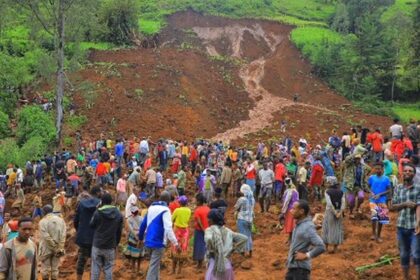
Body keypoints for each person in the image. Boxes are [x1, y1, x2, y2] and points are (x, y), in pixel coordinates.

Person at [138, 191, 179, 280]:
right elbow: (168, 228)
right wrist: (175, 243)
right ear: (168, 202)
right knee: (153, 267)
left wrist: (140, 238)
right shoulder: (166, 210)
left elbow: (143, 224)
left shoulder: (151, 208)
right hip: (158, 243)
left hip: (147, 242)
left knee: (155, 266)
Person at [390, 163, 420, 280]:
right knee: (403, 254)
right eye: (405, 170)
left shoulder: (418, 188)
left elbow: (419, 206)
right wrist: (405, 204)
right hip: (401, 226)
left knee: (417, 255)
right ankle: (405, 278)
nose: (407, 172)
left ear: (414, 174)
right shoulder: (398, 188)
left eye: (410, 171)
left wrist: (418, 222)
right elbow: (392, 206)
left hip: (414, 227)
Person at [286, 200, 326, 280]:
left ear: (301, 211)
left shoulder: (308, 227)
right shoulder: (300, 225)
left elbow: (321, 246)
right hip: (293, 267)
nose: (291, 211)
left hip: (300, 271)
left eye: (294, 209)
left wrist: (307, 255)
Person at [204, 209, 247, 280]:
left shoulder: (210, 230)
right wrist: (233, 249)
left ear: (211, 220)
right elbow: (244, 238)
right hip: (227, 265)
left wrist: (212, 247)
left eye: (208, 219)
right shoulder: (228, 231)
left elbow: (208, 239)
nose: (207, 220)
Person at [90, 193, 123, 280]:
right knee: (108, 268)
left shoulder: (98, 212)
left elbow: (91, 224)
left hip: (97, 245)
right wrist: (116, 243)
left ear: (102, 202)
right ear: (111, 202)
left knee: (95, 268)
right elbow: (119, 231)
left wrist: (96, 209)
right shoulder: (118, 214)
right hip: (110, 246)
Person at [74, 186, 101, 280]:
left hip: (83, 237)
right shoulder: (100, 204)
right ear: (97, 193)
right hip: (96, 237)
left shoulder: (81, 203)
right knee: (95, 261)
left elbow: (76, 220)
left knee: (81, 259)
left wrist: (79, 231)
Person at [39, 205, 66, 280]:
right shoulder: (61, 220)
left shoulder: (42, 221)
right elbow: (63, 235)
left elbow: (46, 237)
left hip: (46, 248)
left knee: (45, 269)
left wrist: (53, 247)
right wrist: (59, 247)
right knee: (55, 269)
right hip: (58, 249)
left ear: (44, 212)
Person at [368, 162, 391, 242]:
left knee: (381, 218)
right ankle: (373, 233)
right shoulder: (371, 177)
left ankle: (379, 235)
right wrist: (371, 193)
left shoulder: (386, 178)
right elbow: (369, 187)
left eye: (379, 168)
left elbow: (389, 190)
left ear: (383, 169)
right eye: (376, 168)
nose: (377, 170)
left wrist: (380, 194)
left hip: (382, 200)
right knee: (374, 217)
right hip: (373, 200)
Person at [342, 153, 371, 218]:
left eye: (359, 158)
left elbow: (368, 170)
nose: (357, 160)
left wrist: (366, 187)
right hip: (350, 186)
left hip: (359, 186)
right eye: (356, 158)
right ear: (354, 159)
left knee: (361, 197)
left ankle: (357, 208)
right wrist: (354, 154)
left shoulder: (362, 167)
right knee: (351, 201)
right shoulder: (349, 165)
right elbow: (347, 160)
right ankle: (351, 212)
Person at [322, 177, 345, 253]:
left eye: (328, 182)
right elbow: (343, 203)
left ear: (330, 183)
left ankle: (326, 248)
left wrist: (334, 212)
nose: (326, 184)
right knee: (337, 229)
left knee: (327, 228)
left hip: (330, 212)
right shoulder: (341, 192)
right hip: (339, 212)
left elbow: (329, 204)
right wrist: (339, 212)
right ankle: (335, 248)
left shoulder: (327, 191)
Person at [171, 195, 191, 276]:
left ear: (179, 202)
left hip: (177, 230)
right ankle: (179, 271)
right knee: (182, 250)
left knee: (175, 249)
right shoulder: (189, 210)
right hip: (185, 231)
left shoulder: (177, 210)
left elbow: (172, 219)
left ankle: (173, 270)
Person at [234, 184, 255, 258]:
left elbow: (236, 208)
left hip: (242, 219)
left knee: (242, 236)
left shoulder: (241, 199)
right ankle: (250, 251)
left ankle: (242, 253)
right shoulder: (252, 198)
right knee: (249, 236)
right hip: (250, 219)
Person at [193, 193, 210, 270]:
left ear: (199, 201)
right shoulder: (208, 209)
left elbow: (199, 222)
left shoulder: (197, 210)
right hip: (208, 230)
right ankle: (206, 263)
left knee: (199, 247)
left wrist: (203, 230)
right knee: (206, 246)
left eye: (196, 200)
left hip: (200, 231)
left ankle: (199, 265)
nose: (195, 202)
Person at [125, 206, 143, 275]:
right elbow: (144, 229)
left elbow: (131, 230)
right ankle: (138, 269)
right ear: (138, 211)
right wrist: (141, 238)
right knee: (140, 255)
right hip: (141, 237)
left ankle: (133, 269)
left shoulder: (129, 219)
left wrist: (135, 237)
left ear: (132, 212)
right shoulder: (142, 218)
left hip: (133, 238)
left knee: (133, 255)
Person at [280, 178, 299, 243]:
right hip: (295, 209)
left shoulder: (289, 191)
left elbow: (286, 202)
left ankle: (291, 239)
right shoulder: (295, 191)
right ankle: (290, 239)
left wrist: (283, 212)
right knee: (292, 224)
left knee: (290, 224)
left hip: (290, 210)